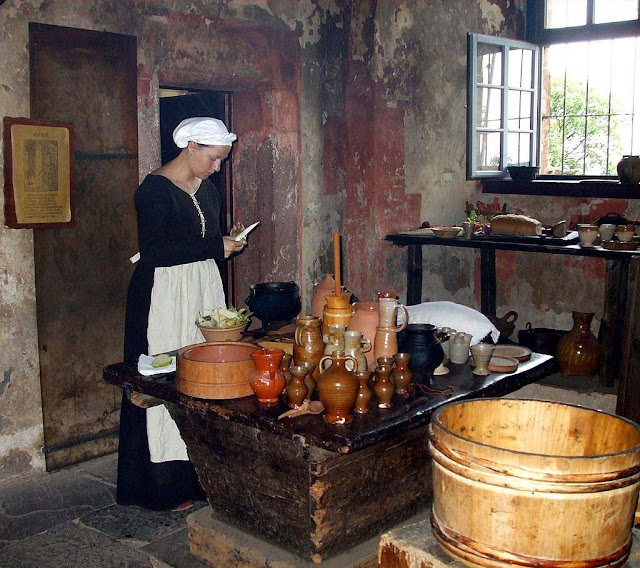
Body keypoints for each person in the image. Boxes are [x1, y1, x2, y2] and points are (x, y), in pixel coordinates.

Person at [117, 117, 246, 511]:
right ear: (190, 147)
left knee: (203, 371)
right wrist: (212, 247)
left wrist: (227, 243)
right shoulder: (153, 191)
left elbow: (201, 240)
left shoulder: (207, 190)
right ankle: (159, 486)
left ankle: (200, 476)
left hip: (201, 288)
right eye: (213, 159)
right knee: (161, 376)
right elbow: (157, 252)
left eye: (221, 160)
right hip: (162, 295)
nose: (217, 168)